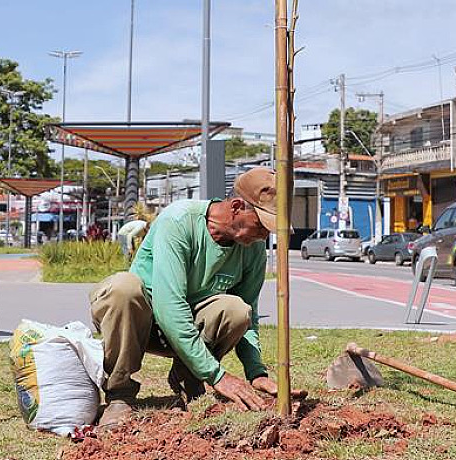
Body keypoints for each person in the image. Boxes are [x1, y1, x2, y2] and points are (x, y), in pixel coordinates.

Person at [88, 167, 299, 428]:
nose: (265, 235)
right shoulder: (179, 221)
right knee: (123, 288)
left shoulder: (253, 249)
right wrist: (217, 375)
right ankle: (119, 394)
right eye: (262, 224)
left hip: (186, 329)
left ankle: (187, 376)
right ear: (236, 207)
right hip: (141, 324)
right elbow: (169, 308)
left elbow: (250, 315)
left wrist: (256, 372)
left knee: (237, 310)